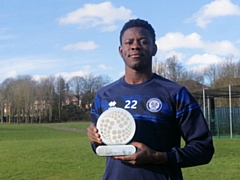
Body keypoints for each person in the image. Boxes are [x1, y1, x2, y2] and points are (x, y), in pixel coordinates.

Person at [87, 18, 214, 180]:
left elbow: (203, 149)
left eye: (143, 41)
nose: (135, 46)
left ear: (154, 49)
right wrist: (95, 139)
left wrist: (158, 157)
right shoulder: (104, 95)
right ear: (120, 50)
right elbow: (100, 146)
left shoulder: (175, 93)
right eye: (129, 42)